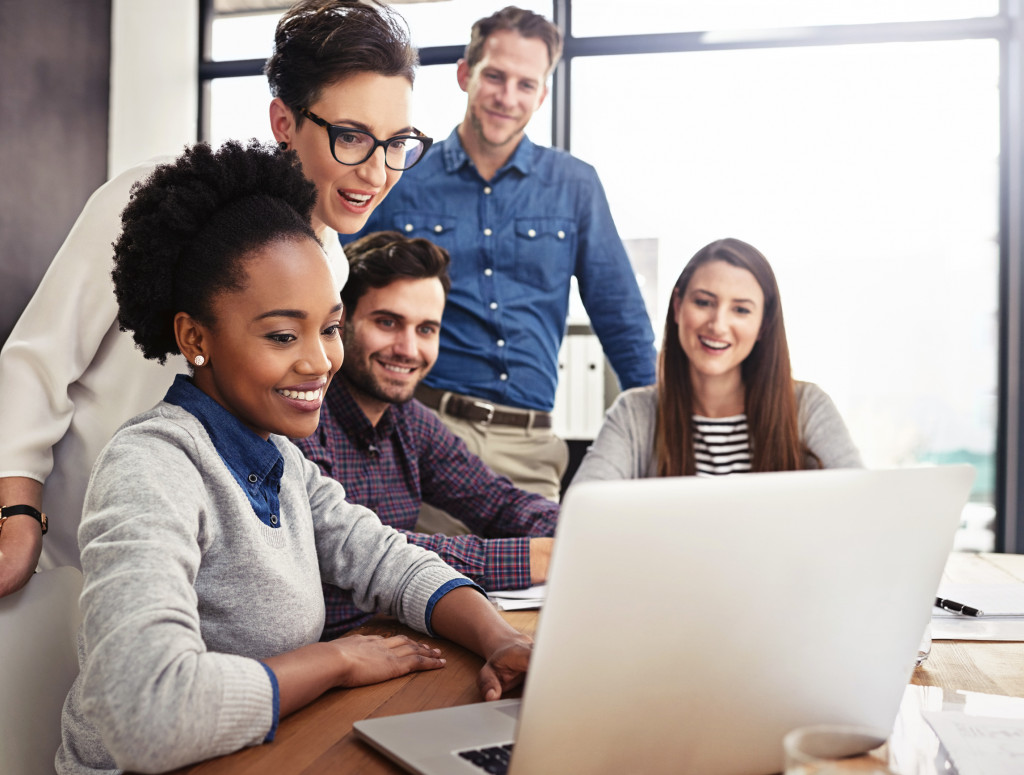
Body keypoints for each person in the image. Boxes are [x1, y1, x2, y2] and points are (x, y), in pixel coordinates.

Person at [56, 140, 530, 775]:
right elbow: (147, 715)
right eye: (283, 335)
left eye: (329, 328)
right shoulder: (152, 466)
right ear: (196, 338)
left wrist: (500, 639)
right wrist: (334, 661)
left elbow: (388, 559)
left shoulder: (281, 460)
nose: (319, 361)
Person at [0, 0, 432, 596]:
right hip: (72, 559)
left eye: (396, 143)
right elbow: (36, 363)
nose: (378, 172)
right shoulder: (152, 202)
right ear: (284, 121)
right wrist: (17, 516)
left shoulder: (330, 263)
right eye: (352, 137)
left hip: (202, 571)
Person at [344, 6, 657, 504]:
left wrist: (662, 431)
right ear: (466, 74)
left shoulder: (575, 186)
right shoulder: (401, 174)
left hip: (530, 449)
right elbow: (340, 291)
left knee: (548, 573)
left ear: (542, 94)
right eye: (494, 76)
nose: (507, 98)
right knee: (429, 578)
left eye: (526, 84)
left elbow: (621, 318)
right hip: (422, 433)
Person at [296, 231, 557, 638]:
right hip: (326, 652)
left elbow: (497, 502)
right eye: (387, 322)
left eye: (426, 330)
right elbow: (366, 549)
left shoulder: (410, 420)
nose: (408, 349)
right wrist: (537, 556)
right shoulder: (303, 414)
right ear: (339, 321)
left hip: (395, 639)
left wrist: (579, 534)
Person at [571, 238, 862, 483]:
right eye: (703, 302)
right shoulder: (634, 414)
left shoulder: (808, 407)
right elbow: (580, 520)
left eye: (741, 310)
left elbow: (862, 510)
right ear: (677, 306)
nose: (718, 324)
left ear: (764, 324)